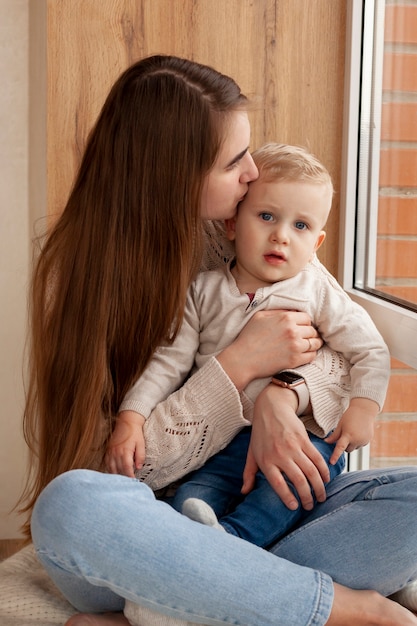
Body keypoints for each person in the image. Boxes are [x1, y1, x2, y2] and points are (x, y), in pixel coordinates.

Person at [20, 54, 417, 626]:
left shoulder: (256, 233)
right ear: (175, 174)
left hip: (260, 512)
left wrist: (285, 396)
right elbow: (116, 473)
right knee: (70, 505)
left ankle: (186, 608)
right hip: (153, 531)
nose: (254, 172)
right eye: (235, 162)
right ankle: (338, 610)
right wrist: (233, 368)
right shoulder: (76, 278)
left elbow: (338, 340)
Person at [107, 143, 390, 549]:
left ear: (317, 243)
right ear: (232, 225)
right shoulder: (202, 292)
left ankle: (229, 547)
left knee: (288, 492)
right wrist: (131, 418)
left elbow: (369, 350)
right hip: (224, 445)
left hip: (302, 438)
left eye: (301, 226)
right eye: (267, 216)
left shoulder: (316, 290)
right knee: (192, 499)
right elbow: (167, 363)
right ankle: (211, 552)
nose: (281, 235)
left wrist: (364, 408)